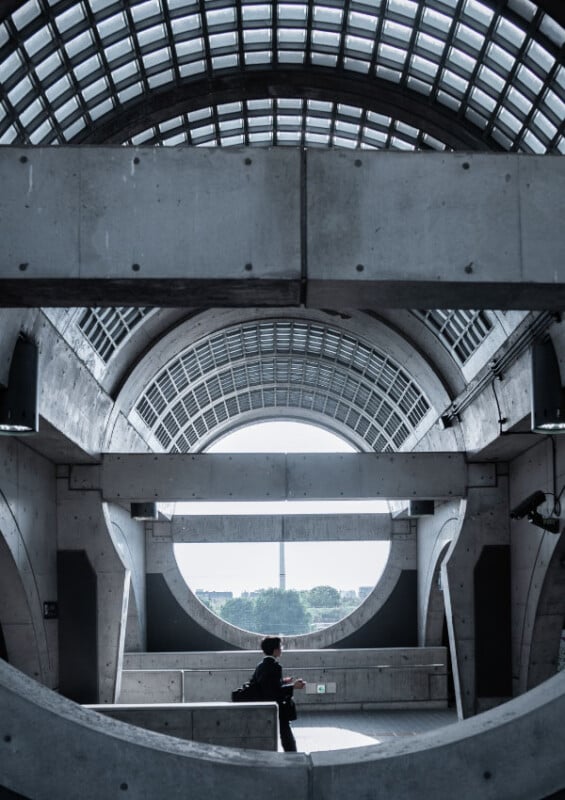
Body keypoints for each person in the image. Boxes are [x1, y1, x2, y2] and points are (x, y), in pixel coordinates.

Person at [251, 635, 305, 752]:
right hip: (276, 708)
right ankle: (293, 756)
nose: (282, 649)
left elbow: (266, 686)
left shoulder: (260, 666)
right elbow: (275, 692)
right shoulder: (275, 667)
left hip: (263, 707)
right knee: (286, 736)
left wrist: (283, 681)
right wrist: (293, 686)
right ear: (275, 650)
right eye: (280, 647)